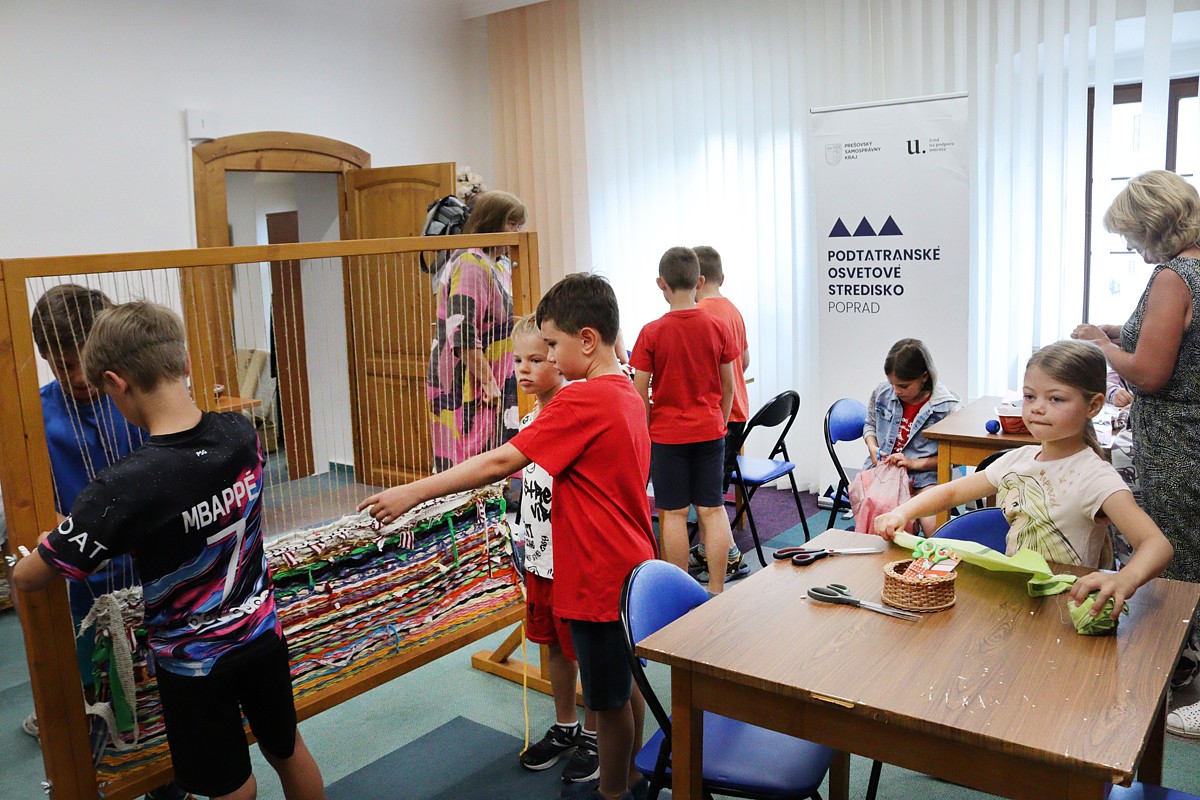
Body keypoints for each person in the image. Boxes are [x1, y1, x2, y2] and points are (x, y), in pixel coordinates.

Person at [13, 301, 326, 800]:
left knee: (231, 787)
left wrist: (43, 547)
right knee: (289, 750)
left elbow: (28, 576)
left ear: (114, 383)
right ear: (185, 363)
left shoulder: (125, 487)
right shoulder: (241, 433)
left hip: (193, 662)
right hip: (261, 632)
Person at [362, 273, 655, 800]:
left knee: (608, 705)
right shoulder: (626, 390)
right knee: (622, 685)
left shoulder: (583, 401)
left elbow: (500, 462)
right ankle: (631, 777)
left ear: (588, 340)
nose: (549, 356)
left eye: (553, 346)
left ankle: (614, 792)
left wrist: (413, 492)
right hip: (628, 565)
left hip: (598, 575)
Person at [874, 340, 1173, 619]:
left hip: (1064, 610)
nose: (1037, 407)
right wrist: (902, 512)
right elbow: (951, 493)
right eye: (1030, 396)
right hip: (1016, 602)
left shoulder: (1094, 476)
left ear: (1093, 406)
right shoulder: (1018, 459)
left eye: (1056, 399)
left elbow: (1157, 545)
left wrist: (1125, 579)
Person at [1071, 169, 1200, 730]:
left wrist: (1100, 344)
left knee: (1178, 558)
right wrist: (1119, 332)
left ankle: (1184, 679)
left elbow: (1149, 372)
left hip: (1176, 445)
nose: (1130, 244)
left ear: (1154, 225)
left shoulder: (1173, 276)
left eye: (1130, 233)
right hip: (1191, 437)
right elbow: (1178, 344)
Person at [510, 315, 600, 783]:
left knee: (586, 651)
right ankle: (567, 726)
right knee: (553, 647)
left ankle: (595, 735)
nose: (523, 370)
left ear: (558, 360)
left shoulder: (574, 413)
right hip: (539, 558)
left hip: (574, 562)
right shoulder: (529, 420)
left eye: (535, 359)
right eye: (517, 361)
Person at [630, 247, 738, 595]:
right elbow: (729, 386)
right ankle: (717, 590)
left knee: (674, 514)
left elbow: (639, 391)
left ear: (661, 283)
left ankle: (680, 594)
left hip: (667, 436)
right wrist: (719, 422)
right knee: (713, 510)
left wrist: (648, 430)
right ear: (700, 282)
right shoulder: (718, 326)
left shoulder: (651, 332)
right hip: (710, 431)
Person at [426, 190, 526, 471]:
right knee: (469, 467)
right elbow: (463, 331)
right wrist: (488, 383)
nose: (517, 232)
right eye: (511, 224)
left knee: (493, 463)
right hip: (467, 383)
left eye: (519, 225)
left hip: (492, 377)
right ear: (492, 222)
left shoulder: (499, 265)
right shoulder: (471, 261)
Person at [862, 338, 961, 535]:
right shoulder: (882, 392)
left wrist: (914, 463)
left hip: (925, 477)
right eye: (892, 383)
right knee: (879, 521)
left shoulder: (947, 406)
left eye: (903, 386)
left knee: (935, 530)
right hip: (885, 472)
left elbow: (955, 457)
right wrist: (872, 447)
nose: (896, 391)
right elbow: (870, 425)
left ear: (924, 377)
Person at [692, 245, 749, 579]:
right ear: (721, 278)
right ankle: (706, 550)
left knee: (707, 498)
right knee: (711, 492)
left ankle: (729, 557)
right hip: (737, 411)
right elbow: (744, 361)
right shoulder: (733, 310)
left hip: (717, 414)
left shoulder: (700, 315)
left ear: (694, 281)